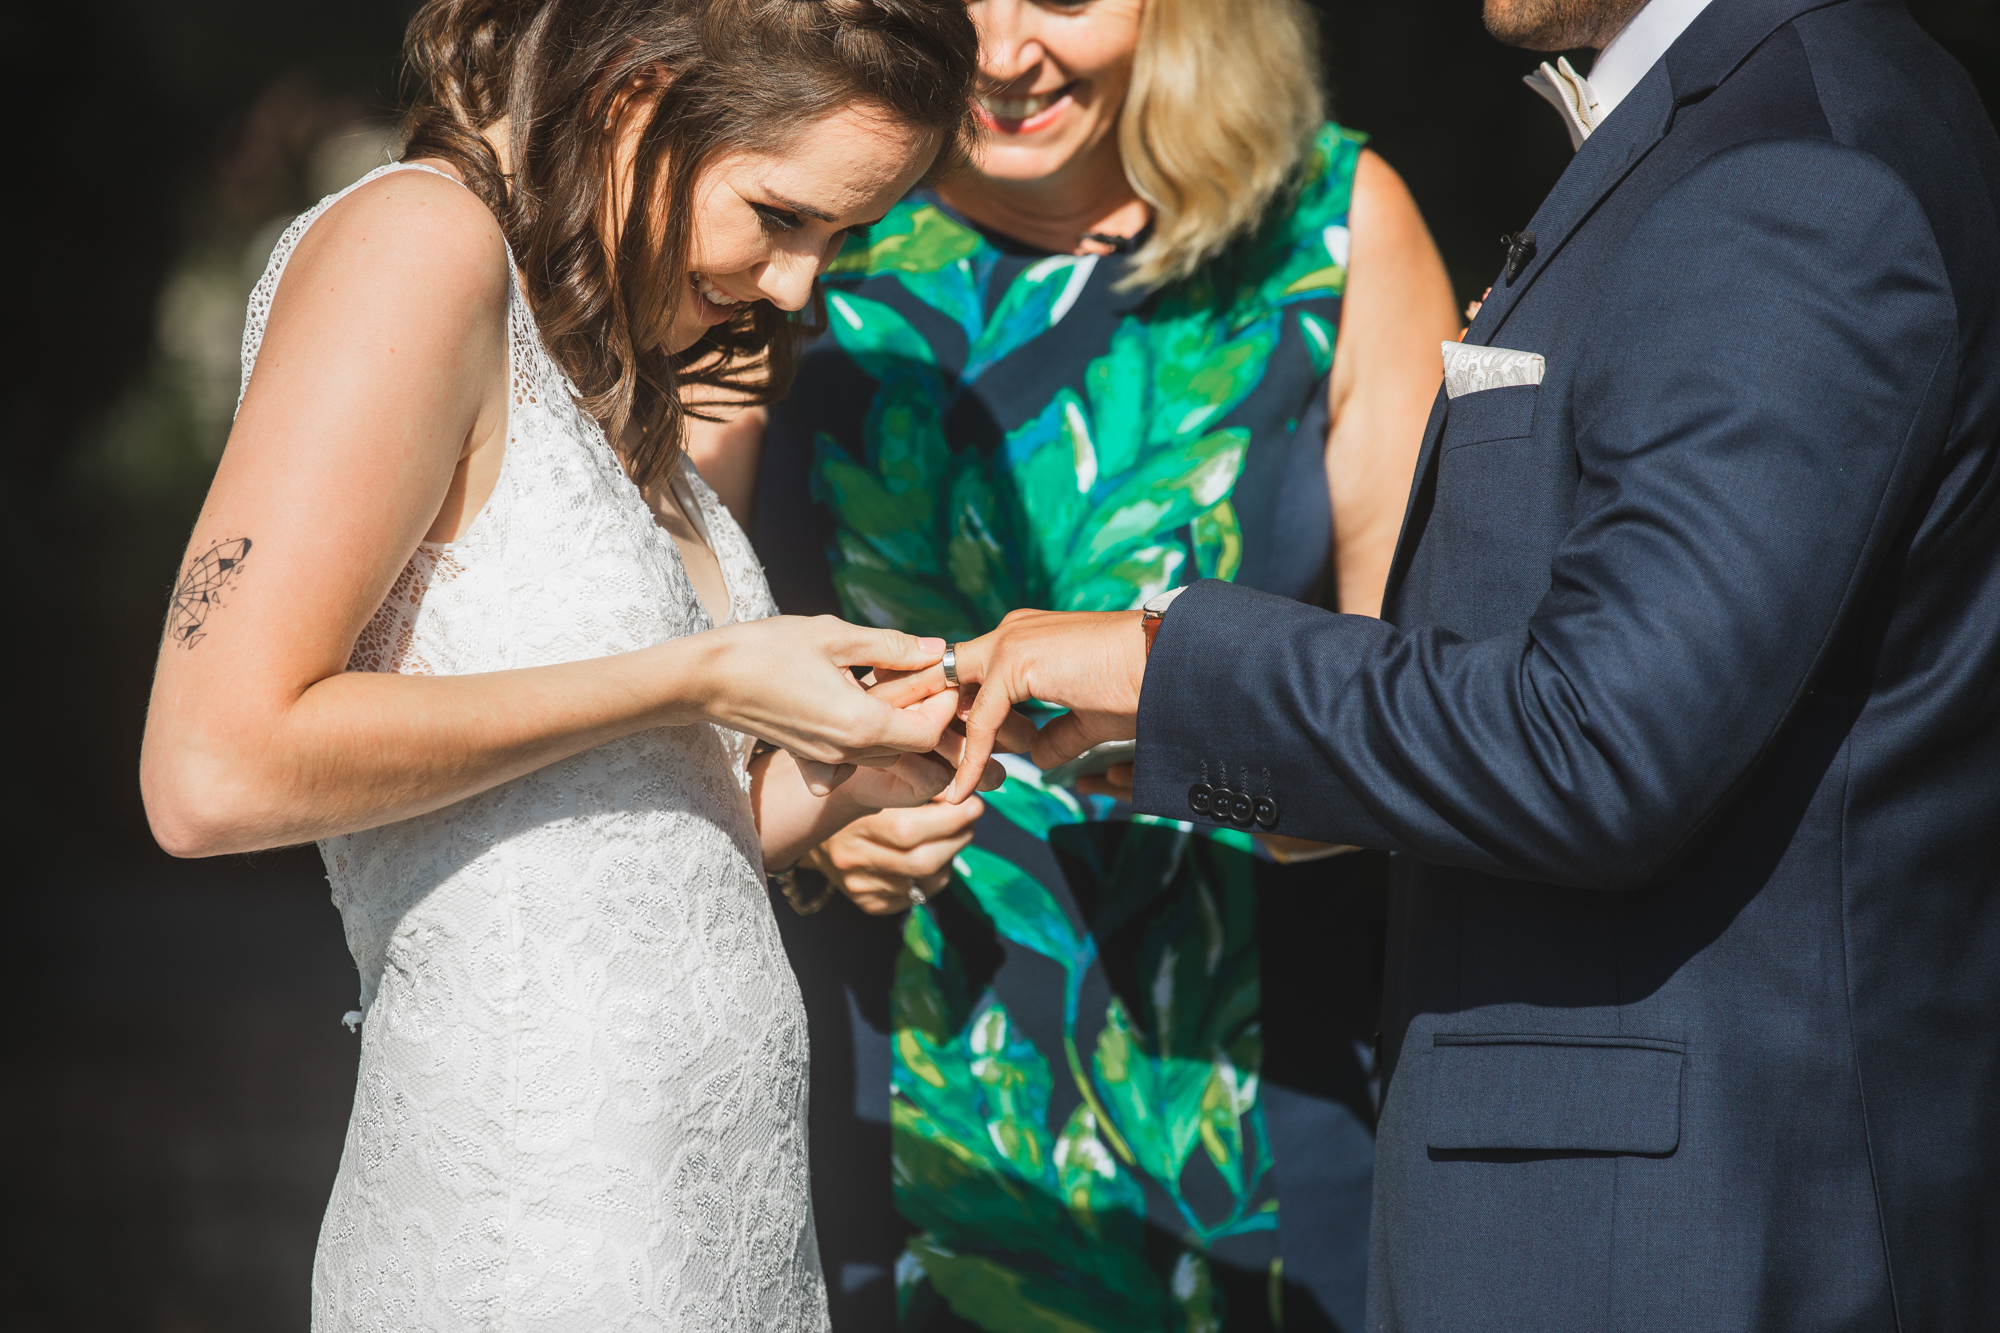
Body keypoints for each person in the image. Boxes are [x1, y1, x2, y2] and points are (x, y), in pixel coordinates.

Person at [933, 0, 2000, 1328]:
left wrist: (1165, 665)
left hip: (1690, 1240)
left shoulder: (1799, 172)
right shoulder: (1726, 129)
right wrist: (1186, 758)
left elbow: (1602, 747)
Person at [138, 0, 995, 1326]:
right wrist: (698, 678)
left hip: (727, 1232)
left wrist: (832, 787)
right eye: (781, 216)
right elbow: (210, 766)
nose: (798, 286)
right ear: (634, 98)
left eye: (842, 237)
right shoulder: (414, 248)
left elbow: (603, 843)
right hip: (540, 1228)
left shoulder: (618, 350)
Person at [685, 0, 1456, 1325]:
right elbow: (661, 663)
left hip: (1244, 1081)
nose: (998, 49)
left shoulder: (1334, 229)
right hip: (880, 1068)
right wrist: (807, 835)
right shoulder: (797, 227)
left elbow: (1433, 716)